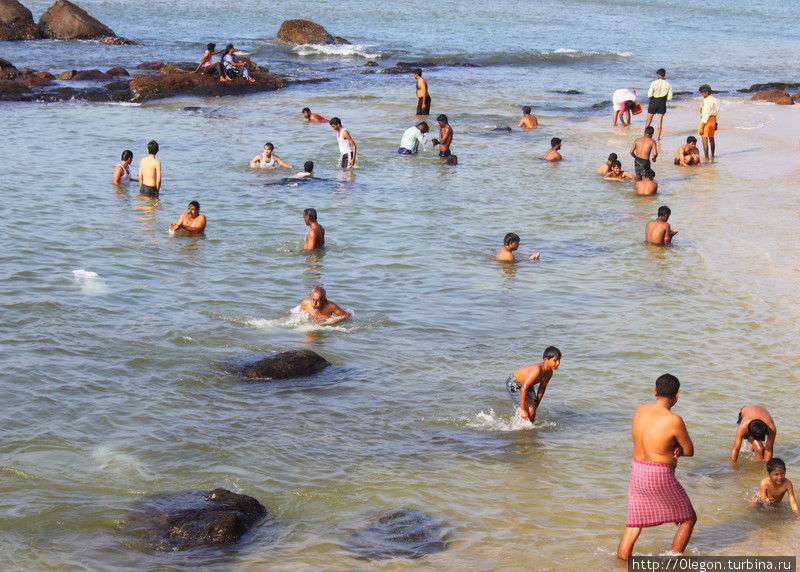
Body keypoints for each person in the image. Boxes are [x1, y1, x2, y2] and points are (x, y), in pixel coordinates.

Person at [617, 374, 696, 560]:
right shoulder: (674, 420)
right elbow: (689, 450)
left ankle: (620, 563)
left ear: (655, 391)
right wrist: (677, 448)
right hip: (659, 473)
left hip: (637, 470)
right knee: (688, 518)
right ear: (677, 396)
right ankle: (673, 560)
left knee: (634, 525)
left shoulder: (640, 410)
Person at [505, 346, 562, 423]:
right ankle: (518, 428)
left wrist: (536, 406)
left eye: (559, 360)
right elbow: (523, 389)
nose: (558, 363)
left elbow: (542, 389)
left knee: (532, 410)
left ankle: (529, 430)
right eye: (555, 360)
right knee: (525, 408)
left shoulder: (549, 373)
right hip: (514, 383)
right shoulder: (537, 370)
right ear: (546, 359)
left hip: (528, 385)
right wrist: (523, 409)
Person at [646, 69, 673, 140]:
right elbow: (670, 97)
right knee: (660, 122)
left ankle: (645, 136)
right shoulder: (668, 84)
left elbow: (649, 94)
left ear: (658, 75)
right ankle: (657, 138)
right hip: (662, 102)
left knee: (649, 120)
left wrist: (652, 97)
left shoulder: (654, 83)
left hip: (653, 101)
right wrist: (664, 98)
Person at [698, 84, 720, 162]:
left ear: (706, 92)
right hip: (713, 120)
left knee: (704, 139)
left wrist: (702, 126)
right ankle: (712, 155)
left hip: (706, 121)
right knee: (711, 138)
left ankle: (706, 157)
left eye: (703, 93)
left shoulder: (706, 101)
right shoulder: (716, 100)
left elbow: (705, 114)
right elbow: (718, 112)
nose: (702, 95)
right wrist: (716, 123)